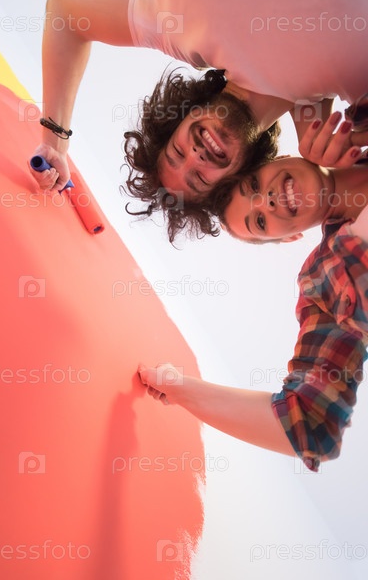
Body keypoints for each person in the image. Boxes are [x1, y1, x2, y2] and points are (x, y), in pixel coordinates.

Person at [30, 0, 368, 239]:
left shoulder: (178, 23)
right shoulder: (349, 91)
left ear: (179, 117)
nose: (195, 156)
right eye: (200, 178)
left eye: (177, 153)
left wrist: (55, 142)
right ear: (243, 174)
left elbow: (66, 14)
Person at [138, 155, 368, 471]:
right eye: (259, 222)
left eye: (254, 184)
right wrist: (179, 387)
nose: (266, 201)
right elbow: (310, 426)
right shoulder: (325, 279)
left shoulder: (353, 132)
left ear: (282, 158)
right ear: (289, 238)